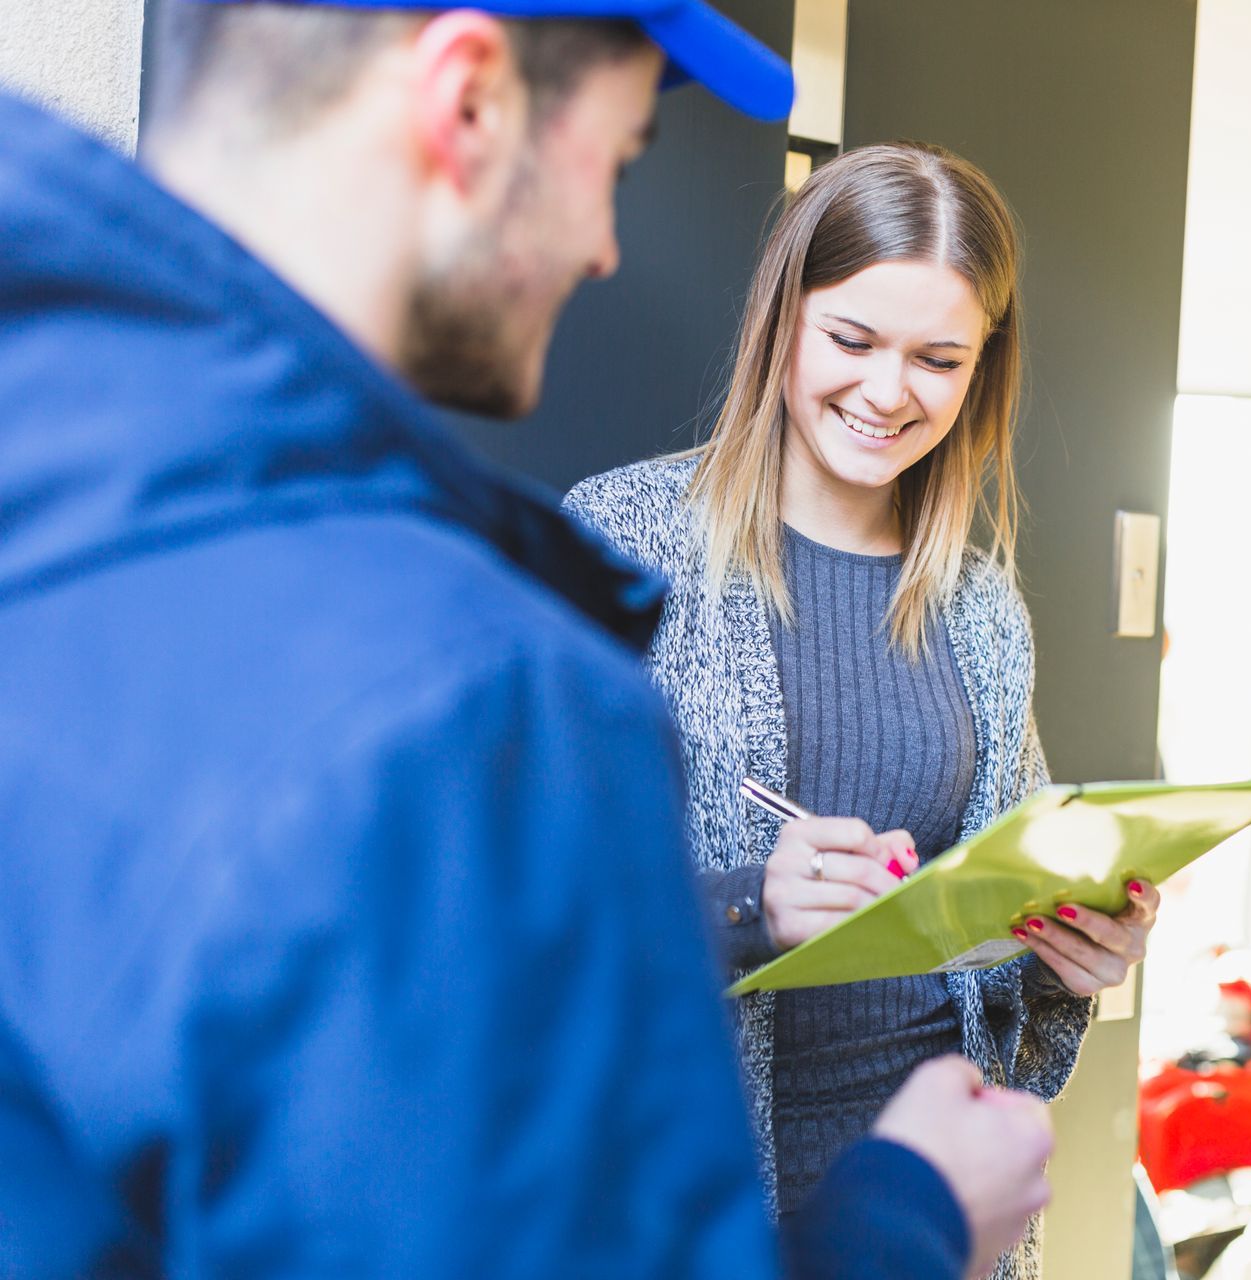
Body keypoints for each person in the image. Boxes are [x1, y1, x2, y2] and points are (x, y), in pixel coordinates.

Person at [0, 3, 1051, 1276]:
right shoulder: (469, 690)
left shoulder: (71, 505)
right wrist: (907, 1214)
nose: (608, 249)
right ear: (469, 102)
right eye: (614, 160)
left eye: (938, 356)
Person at [564, 141, 1163, 1279]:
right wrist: (750, 906)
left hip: (943, 1224)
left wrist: (1064, 953)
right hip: (696, 1219)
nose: (889, 393)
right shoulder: (623, 543)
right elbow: (514, 909)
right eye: (852, 340)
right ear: (783, 320)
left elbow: (993, 969)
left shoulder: (983, 608)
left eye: (939, 358)